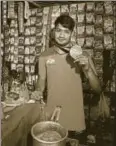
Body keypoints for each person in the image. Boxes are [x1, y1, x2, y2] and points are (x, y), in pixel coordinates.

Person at [31, 13, 102, 143]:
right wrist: (38, 91)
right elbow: (41, 82)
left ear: (72, 33)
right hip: (52, 116)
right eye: (58, 30)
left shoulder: (82, 55)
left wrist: (87, 69)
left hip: (75, 117)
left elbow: (98, 89)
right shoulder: (44, 56)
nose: (61, 35)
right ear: (54, 31)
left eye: (66, 31)